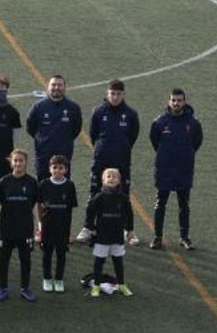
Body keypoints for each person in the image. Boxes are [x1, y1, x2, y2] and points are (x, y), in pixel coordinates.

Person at [84, 79, 141, 244]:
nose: (115, 97)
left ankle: (127, 230)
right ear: (107, 93)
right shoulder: (98, 112)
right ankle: (88, 227)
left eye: (118, 94)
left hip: (122, 161)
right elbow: (93, 134)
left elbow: (132, 136)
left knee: (124, 195)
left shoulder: (131, 114)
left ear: (123, 95)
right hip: (100, 160)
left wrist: (122, 148)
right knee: (94, 193)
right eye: (112, 94)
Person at [149, 88, 203, 250]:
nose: (176, 103)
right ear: (169, 101)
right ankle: (157, 237)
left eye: (179, 100)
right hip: (164, 169)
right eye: (173, 100)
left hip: (183, 169)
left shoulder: (193, 123)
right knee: (160, 203)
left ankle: (184, 237)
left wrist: (184, 156)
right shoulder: (159, 122)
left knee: (184, 204)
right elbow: (155, 142)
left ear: (184, 102)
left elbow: (197, 142)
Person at [0, 150, 40, 303]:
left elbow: (33, 202)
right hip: (7, 227)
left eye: (21, 160)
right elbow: (1, 199)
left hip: (25, 227)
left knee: (25, 259)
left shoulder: (32, 182)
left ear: (26, 162)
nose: (18, 163)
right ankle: (2, 288)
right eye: (15, 160)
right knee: (4, 258)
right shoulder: (3, 182)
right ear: (11, 162)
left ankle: (25, 288)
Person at [85, 167, 134, 296]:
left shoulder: (123, 198)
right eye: (108, 176)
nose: (111, 178)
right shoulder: (99, 197)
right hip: (102, 234)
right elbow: (90, 212)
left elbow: (129, 214)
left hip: (117, 234)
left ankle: (121, 284)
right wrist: (91, 227)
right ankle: (96, 286)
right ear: (103, 180)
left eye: (114, 177)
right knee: (99, 261)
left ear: (119, 181)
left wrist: (130, 230)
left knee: (118, 260)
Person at [25, 75, 83, 183]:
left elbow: (76, 129)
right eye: (53, 85)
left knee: (63, 185)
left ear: (64, 87)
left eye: (59, 85)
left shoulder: (73, 108)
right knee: (42, 185)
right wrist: (43, 140)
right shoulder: (38, 107)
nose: (56, 87)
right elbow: (30, 127)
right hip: (43, 155)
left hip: (64, 155)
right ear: (48, 87)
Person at [36, 155, 79, 294]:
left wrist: (69, 230)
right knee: (47, 253)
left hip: (63, 227)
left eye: (61, 168)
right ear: (50, 169)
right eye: (54, 167)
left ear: (66, 169)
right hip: (48, 226)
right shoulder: (44, 184)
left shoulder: (69, 185)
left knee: (61, 254)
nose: (57, 171)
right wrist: (40, 223)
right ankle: (47, 278)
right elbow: (39, 205)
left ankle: (59, 279)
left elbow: (70, 209)